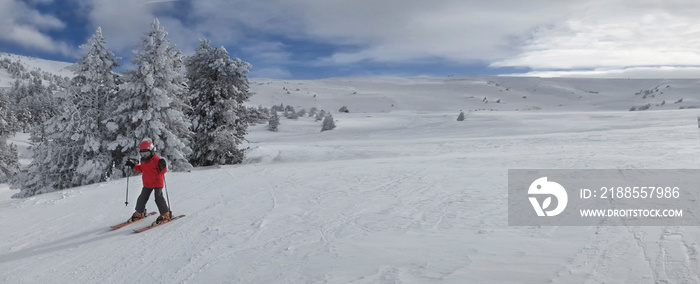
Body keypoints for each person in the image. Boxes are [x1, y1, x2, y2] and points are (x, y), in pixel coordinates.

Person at [125, 139, 171, 224]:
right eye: (142, 154)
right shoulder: (143, 161)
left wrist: (163, 166)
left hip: (157, 183)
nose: (144, 156)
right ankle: (140, 212)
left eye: (146, 153)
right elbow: (141, 169)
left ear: (152, 151)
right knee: (142, 198)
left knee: (158, 198)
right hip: (147, 183)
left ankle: (165, 214)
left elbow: (163, 171)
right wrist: (133, 165)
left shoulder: (157, 161)